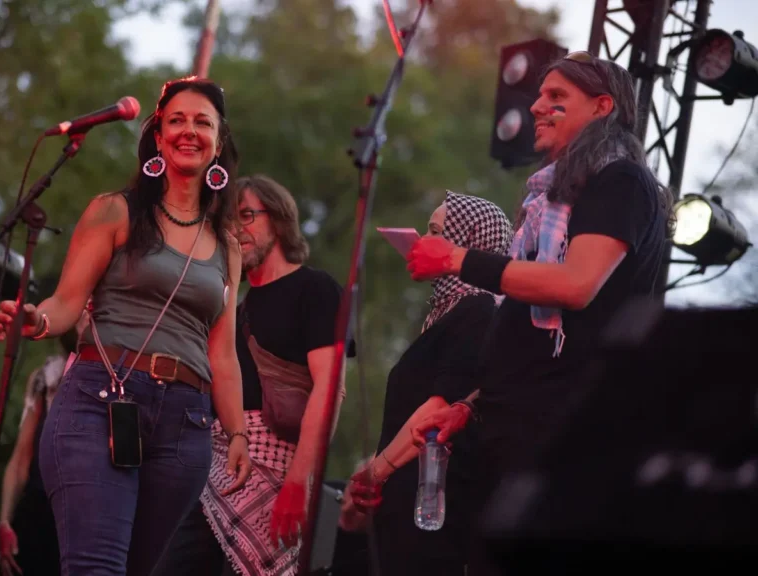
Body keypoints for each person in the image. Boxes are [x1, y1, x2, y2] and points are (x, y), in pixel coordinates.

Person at [405, 54, 671, 574]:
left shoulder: (620, 182)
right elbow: (529, 336)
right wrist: (472, 406)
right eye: (540, 96)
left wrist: (459, 258)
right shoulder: (554, 197)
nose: (536, 107)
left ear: (602, 107)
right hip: (519, 434)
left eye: (557, 98)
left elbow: (575, 286)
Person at [0, 76, 251, 576]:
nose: (189, 131)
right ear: (157, 137)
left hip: (186, 423)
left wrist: (237, 433)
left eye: (203, 123)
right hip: (100, 403)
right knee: (96, 569)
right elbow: (68, 303)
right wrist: (38, 319)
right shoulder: (115, 210)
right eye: (176, 120)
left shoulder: (228, 245)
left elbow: (223, 354)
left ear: (219, 142)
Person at [155, 174, 351, 576]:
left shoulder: (315, 288)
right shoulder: (235, 308)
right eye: (227, 221)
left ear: (278, 220)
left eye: (246, 216)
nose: (235, 231)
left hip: (279, 475)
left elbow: (331, 389)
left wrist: (299, 482)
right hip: (216, 471)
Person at [345, 191, 513, 576]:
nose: (423, 241)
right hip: (406, 501)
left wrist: (377, 472)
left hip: (433, 505)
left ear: (468, 242)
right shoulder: (447, 312)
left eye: (436, 231)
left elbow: (439, 407)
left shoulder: (479, 309)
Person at [0, 318, 88, 576]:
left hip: (80, 520)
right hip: (36, 511)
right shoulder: (45, 378)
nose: (84, 316)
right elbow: (21, 458)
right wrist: (5, 521)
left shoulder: (117, 384)